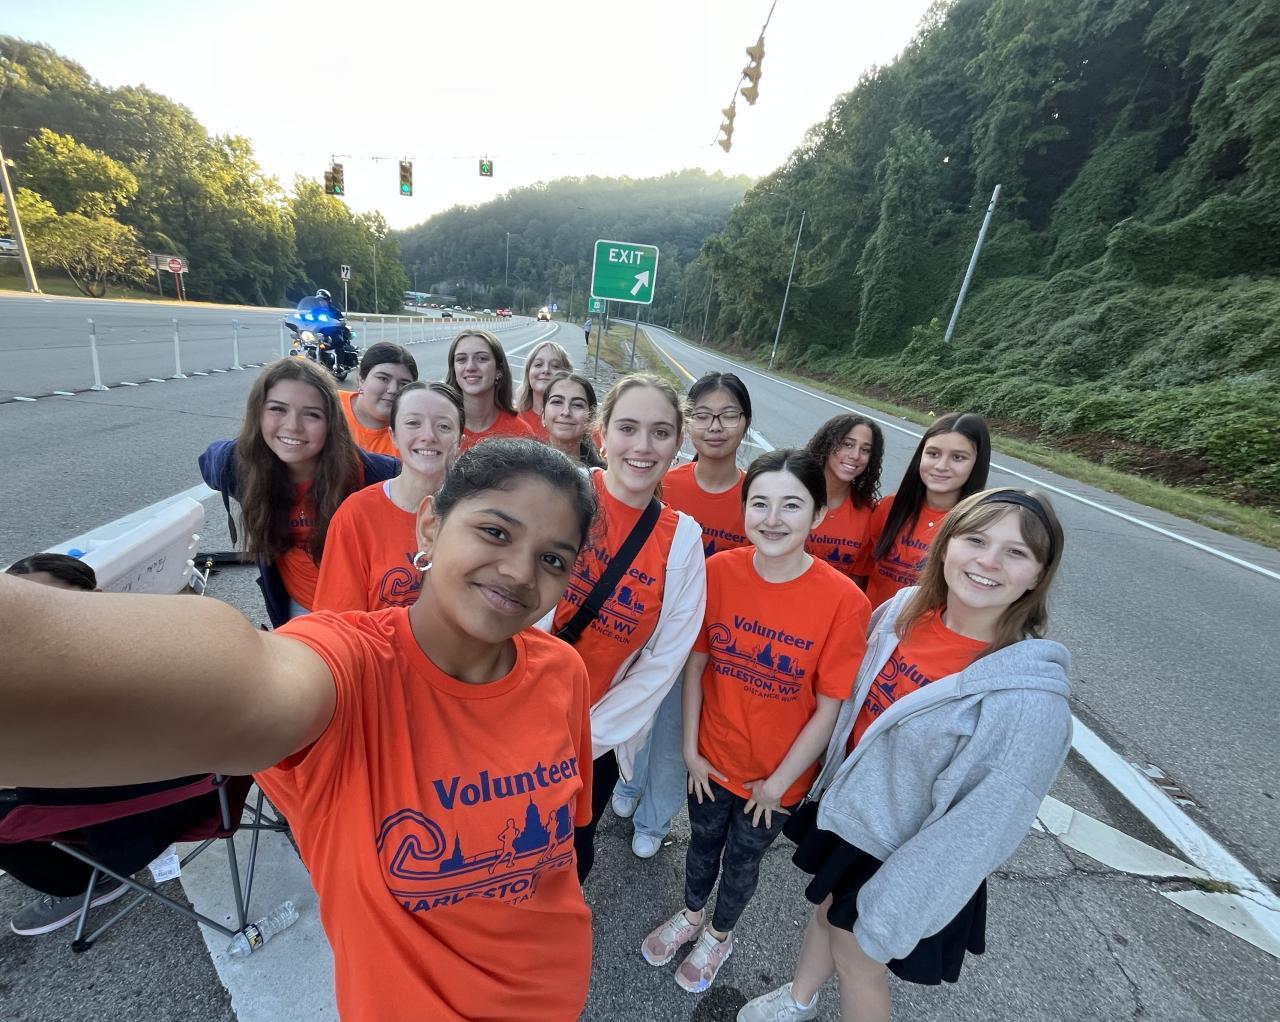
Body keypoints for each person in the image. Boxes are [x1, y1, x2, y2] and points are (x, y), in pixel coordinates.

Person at [0, 440, 601, 1021]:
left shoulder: (561, 671)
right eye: (495, 531)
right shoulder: (349, 668)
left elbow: (562, 851)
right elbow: (245, 680)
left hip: (558, 992)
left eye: (553, 559)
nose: (520, 572)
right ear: (429, 528)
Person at [737, 488, 1070, 1022]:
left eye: (1016, 552)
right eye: (976, 540)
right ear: (946, 544)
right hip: (855, 820)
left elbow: (980, 831)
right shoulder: (901, 612)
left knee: (857, 958)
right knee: (827, 914)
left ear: (1037, 575)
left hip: (909, 857)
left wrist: (892, 910)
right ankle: (798, 999)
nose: (989, 561)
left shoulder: (1029, 703)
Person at [640, 450, 870, 993]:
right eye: (760, 503)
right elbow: (697, 665)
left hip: (775, 780)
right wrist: (691, 750)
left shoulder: (844, 601)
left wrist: (776, 784)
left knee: (743, 861)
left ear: (818, 514)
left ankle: (719, 935)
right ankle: (691, 914)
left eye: (791, 505)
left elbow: (829, 707)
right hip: (711, 759)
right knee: (701, 844)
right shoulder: (719, 571)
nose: (773, 518)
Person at [546, 374, 707, 883]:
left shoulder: (682, 540)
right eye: (628, 428)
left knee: (570, 854)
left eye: (660, 432)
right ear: (602, 432)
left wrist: (587, 737)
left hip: (593, 736)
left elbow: (663, 663)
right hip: (505, 712)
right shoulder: (559, 491)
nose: (642, 446)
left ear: (677, 444)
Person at [0, 554, 205, 937]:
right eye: (22, 610)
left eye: (49, 604)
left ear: (93, 599)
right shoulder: (130, 641)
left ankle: (90, 880)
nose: (34, 620)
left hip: (148, 811)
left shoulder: (105, 669)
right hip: (170, 787)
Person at [611, 371, 752, 860]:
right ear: (687, 425)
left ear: (745, 423)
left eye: (728, 415)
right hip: (650, 630)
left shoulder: (756, 497)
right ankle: (627, 783)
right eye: (703, 415)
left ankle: (655, 817)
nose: (715, 427)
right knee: (637, 714)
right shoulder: (661, 481)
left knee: (675, 734)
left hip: (710, 645)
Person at [199, 358, 398, 626]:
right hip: (299, 610)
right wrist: (245, 451)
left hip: (367, 614)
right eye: (277, 409)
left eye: (312, 414)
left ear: (331, 424)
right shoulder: (239, 465)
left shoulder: (373, 474)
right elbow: (209, 459)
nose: (293, 425)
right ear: (258, 414)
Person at [313, 382, 463, 612]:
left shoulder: (477, 513)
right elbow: (339, 619)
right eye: (413, 423)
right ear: (393, 436)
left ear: (460, 440)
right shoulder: (357, 515)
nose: (428, 436)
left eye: (443, 426)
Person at [859, 412, 990, 609]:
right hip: (872, 622)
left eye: (958, 457)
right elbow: (863, 571)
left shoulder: (979, 525)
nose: (941, 466)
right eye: (933, 454)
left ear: (977, 463)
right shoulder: (890, 507)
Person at [803, 414, 884, 579]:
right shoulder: (791, 495)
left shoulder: (869, 512)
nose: (855, 455)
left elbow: (857, 580)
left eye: (865, 450)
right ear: (827, 444)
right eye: (847, 444)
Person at [445, 329, 535, 451]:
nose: (470, 367)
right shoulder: (439, 427)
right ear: (454, 369)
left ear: (499, 371)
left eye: (482, 358)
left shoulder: (521, 434)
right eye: (461, 359)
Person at [337, 342, 419, 457]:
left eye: (403, 384)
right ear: (361, 380)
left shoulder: (412, 438)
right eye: (383, 378)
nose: (393, 390)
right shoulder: (329, 405)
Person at [541, 371, 605, 468]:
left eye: (577, 405)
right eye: (557, 402)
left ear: (591, 419)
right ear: (543, 416)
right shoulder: (524, 470)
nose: (566, 412)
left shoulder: (601, 476)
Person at [515, 340, 572, 440]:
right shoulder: (511, 418)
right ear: (528, 374)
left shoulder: (578, 421)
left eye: (555, 366)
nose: (546, 370)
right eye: (538, 365)